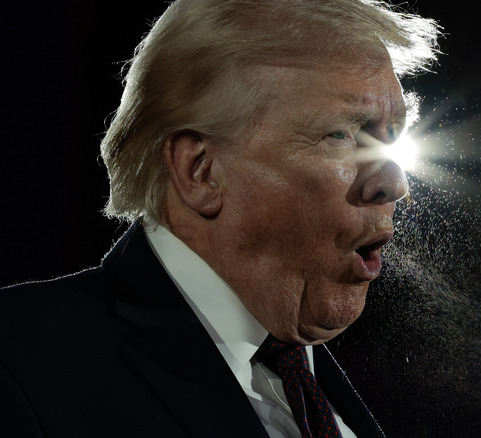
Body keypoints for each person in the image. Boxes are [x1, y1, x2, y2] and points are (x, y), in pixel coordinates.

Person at [0, 0, 439, 436]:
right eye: (341, 135)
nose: (393, 184)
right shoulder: (20, 361)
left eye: (392, 136)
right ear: (201, 171)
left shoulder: (350, 384)